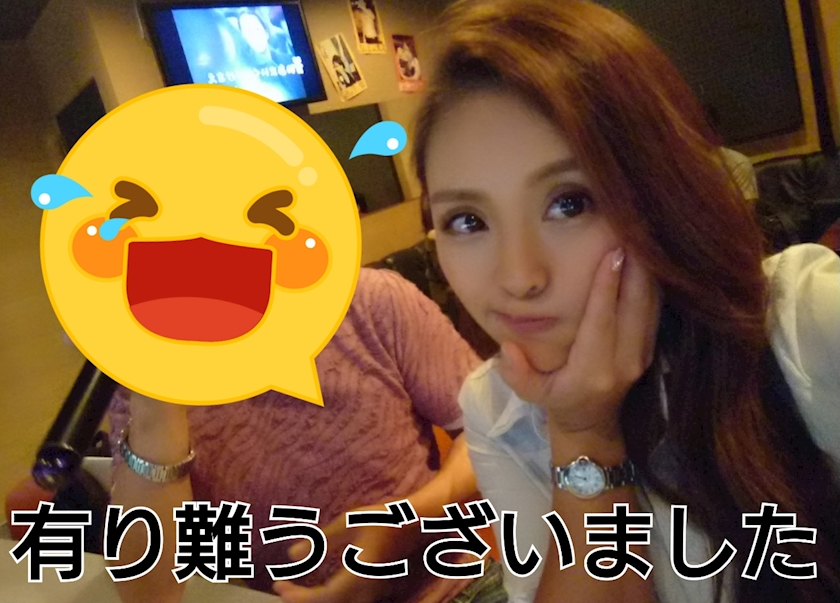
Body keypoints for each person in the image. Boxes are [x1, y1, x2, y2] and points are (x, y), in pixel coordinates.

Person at [410, 2, 840, 603]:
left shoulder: (802, 321)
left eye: (570, 203)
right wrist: (583, 434)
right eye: (467, 220)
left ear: (657, 193)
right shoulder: (496, 407)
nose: (519, 277)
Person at [107, 268, 508, 603]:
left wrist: (413, 518)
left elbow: (497, 432)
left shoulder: (370, 300)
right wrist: (156, 407)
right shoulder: (140, 381)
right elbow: (149, 592)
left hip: (453, 591)